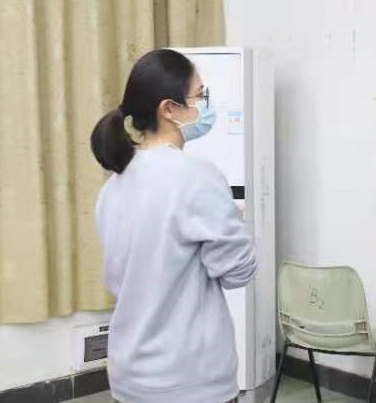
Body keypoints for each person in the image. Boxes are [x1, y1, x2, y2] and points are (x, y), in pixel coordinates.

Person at [90, 48, 256, 403]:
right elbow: (238, 272)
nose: (205, 105)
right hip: (190, 381)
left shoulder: (112, 188)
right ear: (169, 109)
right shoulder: (197, 177)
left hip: (129, 377)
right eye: (200, 95)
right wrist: (232, 222)